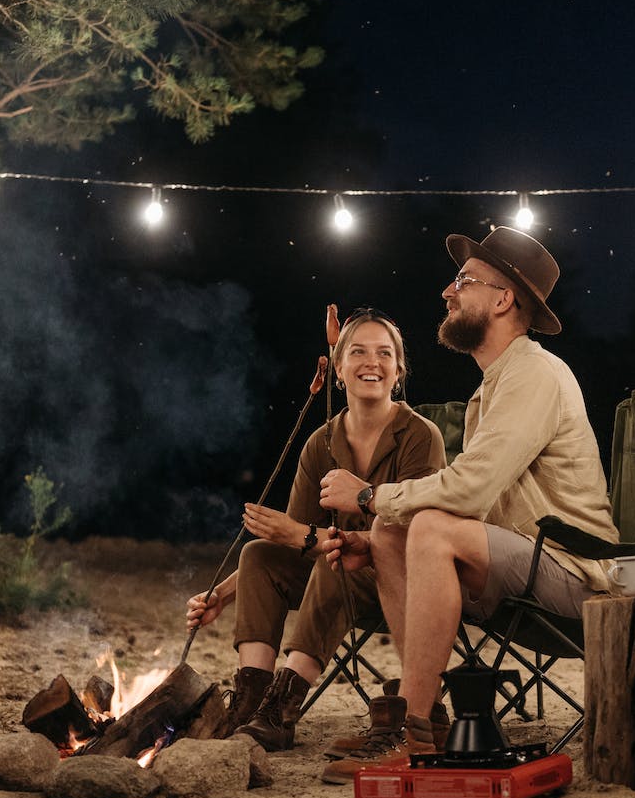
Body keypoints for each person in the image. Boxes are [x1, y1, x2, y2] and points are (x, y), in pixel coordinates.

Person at [316, 226, 617, 784]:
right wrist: (378, 526)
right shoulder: (495, 384)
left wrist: (369, 494)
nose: (447, 292)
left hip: (574, 573)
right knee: (389, 534)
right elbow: (484, 506)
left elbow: (468, 491)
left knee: (426, 526)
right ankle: (421, 717)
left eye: (463, 281)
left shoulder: (533, 374)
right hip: (523, 559)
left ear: (503, 300)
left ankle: (412, 734)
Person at [186, 309, 445, 750]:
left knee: (334, 559)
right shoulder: (320, 442)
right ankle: (250, 702)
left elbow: (410, 531)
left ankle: (283, 709)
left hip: (397, 576)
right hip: (332, 567)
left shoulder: (420, 436)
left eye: (385, 354)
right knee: (258, 555)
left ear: (398, 371)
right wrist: (222, 595)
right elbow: (293, 538)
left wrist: (306, 537)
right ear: (338, 369)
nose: (372, 362)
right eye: (358, 351)